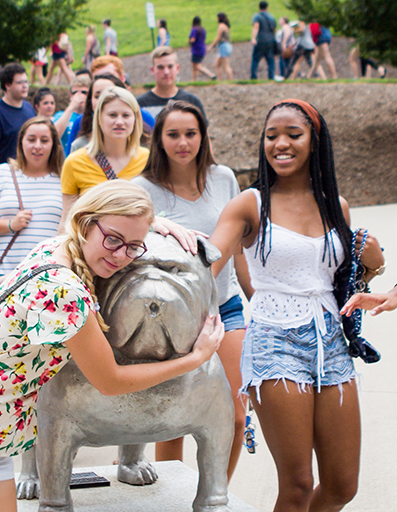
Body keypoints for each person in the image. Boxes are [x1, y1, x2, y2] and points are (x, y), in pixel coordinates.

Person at [0, 180, 225, 512]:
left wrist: (153, 225)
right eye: (114, 240)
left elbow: (107, 220)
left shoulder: (54, 248)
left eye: (133, 246)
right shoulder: (65, 293)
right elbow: (111, 381)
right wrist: (195, 358)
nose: (122, 255)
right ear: (85, 224)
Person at [208, 99, 381, 512]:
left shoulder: (334, 205)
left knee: (342, 485)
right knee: (299, 485)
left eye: (292, 135)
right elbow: (208, 258)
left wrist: (373, 264)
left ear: (314, 141)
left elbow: (342, 279)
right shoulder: (251, 203)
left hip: (331, 342)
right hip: (274, 340)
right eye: (271, 136)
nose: (280, 144)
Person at [133, 101, 247, 479]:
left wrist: (254, 295)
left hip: (224, 307)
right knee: (174, 419)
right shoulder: (142, 188)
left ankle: (216, 494)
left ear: (203, 136)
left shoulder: (225, 178)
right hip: (173, 315)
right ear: (159, 140)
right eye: (173, 134)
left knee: (235, 415)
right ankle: (173, 495)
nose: (183, 142)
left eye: (191, 133)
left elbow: (237, 245)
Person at [0, 117, 65, 276]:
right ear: (21, 142)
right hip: (7, 275)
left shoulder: (64, 178)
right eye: (31, 139)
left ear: (54, 145)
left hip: (50, 275)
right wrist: (10, 224)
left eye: (44, 140)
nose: (37, 146)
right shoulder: (3, 173)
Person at [62, 86, 148, 219]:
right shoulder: (74, 162)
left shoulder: (149, 160)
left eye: (126, 115)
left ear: (135, 119)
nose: (119, 122)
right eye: (112, 115)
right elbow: (67, 220)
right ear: (99, 118)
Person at [0, 64, 37, 170]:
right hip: (8, 173)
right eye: (19, 83)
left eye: (26, 82)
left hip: (29, 170)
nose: (25, 86)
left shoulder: (28, 108)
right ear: (7, 85)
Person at [139, 46, 208, 121]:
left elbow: (202, 132)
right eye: (161, 67)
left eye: (170, 66)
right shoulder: (140, 105)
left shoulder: (192, 102)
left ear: (177, 68)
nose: (166, 72)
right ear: (152, 70)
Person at [250, 1, 277, 80]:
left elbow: (256, 27)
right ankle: (271, 76)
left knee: (255, 59)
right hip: (270, 40)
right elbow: (274, 29)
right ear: (267, 7)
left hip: (261, 40)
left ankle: (253, 76)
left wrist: (253, 38)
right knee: (270, 59)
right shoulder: (271, 17)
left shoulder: (257, 16)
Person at [208, 13, 235, 82]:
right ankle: (220, 80)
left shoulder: (221, 26)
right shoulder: (225, 26)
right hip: (225, 46)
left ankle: (230, 81)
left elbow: (218, 37)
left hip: (224, 46)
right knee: (217, 64)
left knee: (226, 65)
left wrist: (211, 46)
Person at [189, 17, 215, 81]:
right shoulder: (202, 30)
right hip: (202, 48)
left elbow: (192, 39)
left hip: (196, 50)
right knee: (193, 65)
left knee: (196, 66)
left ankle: (211, 75)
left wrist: (189, 42)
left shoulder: (194, 30)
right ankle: (194, 80)